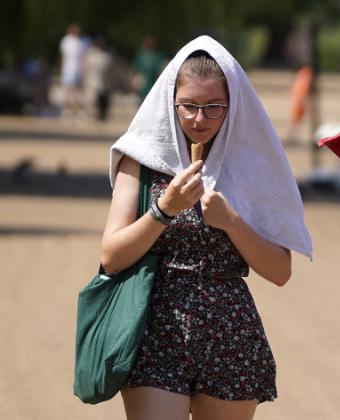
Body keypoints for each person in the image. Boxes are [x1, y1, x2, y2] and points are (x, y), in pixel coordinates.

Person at [100, 36, 312, 420]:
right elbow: (112, 257)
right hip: (155, 328)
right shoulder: (142, 159)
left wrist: (231, 222)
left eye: (214, 108)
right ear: (171, 102)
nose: (200, 119)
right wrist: (165, 209)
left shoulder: (252, 167)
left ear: (234, 107)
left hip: (232, 332)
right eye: (189, 107)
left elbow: (281, 272)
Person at [59, 23, 87, 119]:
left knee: (78, 93)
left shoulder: (81, 42)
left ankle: (78, 111)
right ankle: (67, 111)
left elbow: (83, 57)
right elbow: (63, 56)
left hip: (78, 70)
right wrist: (62, 69)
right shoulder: (66, 41)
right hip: (68, 69)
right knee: (67, 91)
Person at [83, 36, 113, 121]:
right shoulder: (91, 54)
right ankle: (92, 115)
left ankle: (102, 116)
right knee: (92, 99)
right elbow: (86, 67)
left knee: (103, 100)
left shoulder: (106, 56)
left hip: (103, 81)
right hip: (93, 80)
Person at [131, 35, 164, 103]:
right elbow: (135, 69)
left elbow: (159, 70)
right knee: (142, 101)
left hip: (153, 82)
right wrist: (134, 81)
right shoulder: (140, 56)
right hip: (142, 83)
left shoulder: (157, 56)